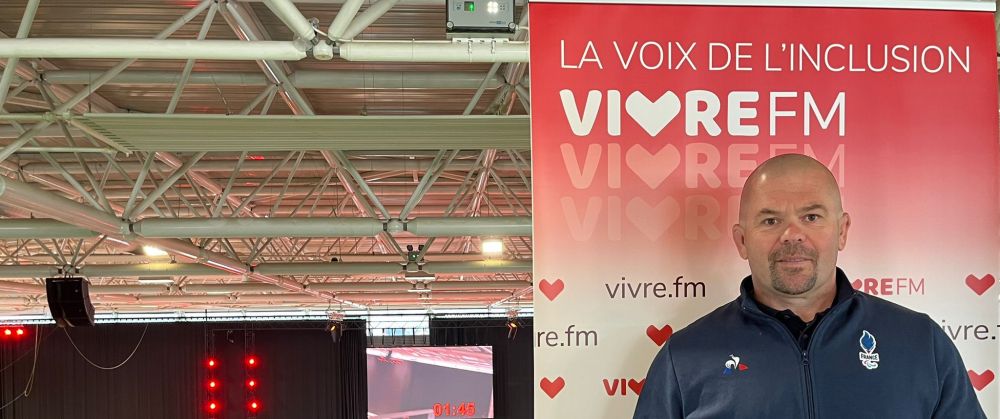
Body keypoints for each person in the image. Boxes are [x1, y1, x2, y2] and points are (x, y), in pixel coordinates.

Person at [633, 154, 985, 418]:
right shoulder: (685, 358)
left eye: (811, 217)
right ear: (742, 241)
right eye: (770, 220)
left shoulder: (920, 343)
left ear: (842, 231)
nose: (792, 235)